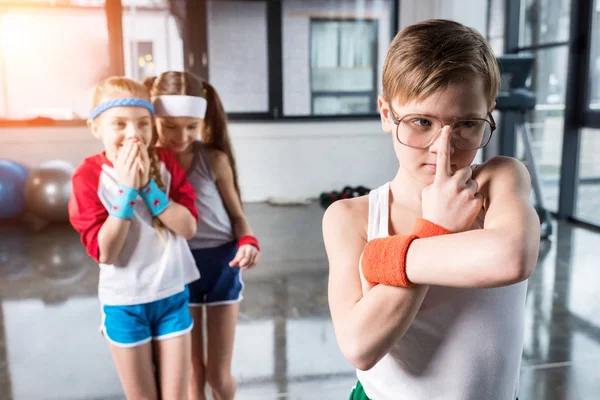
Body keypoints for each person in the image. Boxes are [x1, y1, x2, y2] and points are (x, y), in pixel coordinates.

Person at [323, 19, 540, 400]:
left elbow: (512, 257)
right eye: (422, 121)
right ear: (386, 114)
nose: (443, 149)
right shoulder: (351, 218)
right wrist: (434, 228)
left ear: (488, 113)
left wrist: (385, 258)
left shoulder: (501, 178)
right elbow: (359, 346)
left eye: (467, 124)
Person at [69, 76, 199, 400]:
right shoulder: (86, 176)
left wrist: (147, 188)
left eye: (143, 123)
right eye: (119, 124)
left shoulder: (166, 162)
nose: (133, 134)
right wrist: (127, 190)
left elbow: (188, 228)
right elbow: (106, 252)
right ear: (95, 127)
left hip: (172, 295)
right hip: (125, 304)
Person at [144, 71, 260, 400]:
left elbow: (238, 217)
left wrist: (248, 240)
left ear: (203, 122)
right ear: (154, 120)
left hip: (223, 263)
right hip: (178, 266)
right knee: (193, 373)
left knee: (218, 375)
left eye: (191, 127)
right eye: (169, 126)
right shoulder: (147, 164)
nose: (181, 136)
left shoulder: (214, 160)